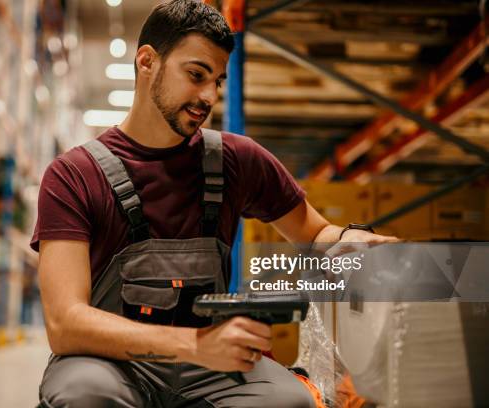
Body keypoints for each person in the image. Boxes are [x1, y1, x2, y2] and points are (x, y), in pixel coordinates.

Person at [31, 1, 398, 407]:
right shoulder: (73, 175)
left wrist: (351, 243)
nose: (208, 96)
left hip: (211, 366)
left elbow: (313, 233)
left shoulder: (236, 160)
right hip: (111, 362)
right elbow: (65, 323)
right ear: (147, 61)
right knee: (82, 395)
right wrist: (194, 344)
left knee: (289, 402)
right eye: (196, 75)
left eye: (218, 81)